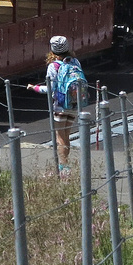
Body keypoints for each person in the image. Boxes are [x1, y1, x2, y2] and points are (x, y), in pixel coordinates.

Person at [26, 36, 86, 172]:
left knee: (60, 137)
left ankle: (63, 168)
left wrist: (33, 88)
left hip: (60, 105)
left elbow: (50, 88)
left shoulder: (54, 66)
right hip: (74, 103)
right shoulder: (75, 61)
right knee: (66, 135)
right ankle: (65, 164)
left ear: (52, 50)